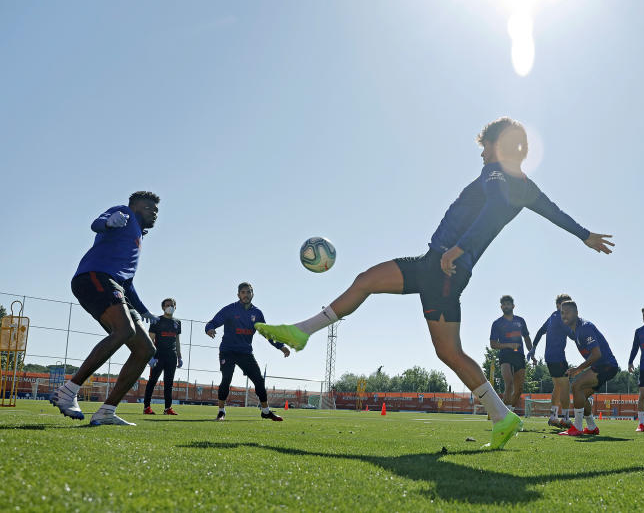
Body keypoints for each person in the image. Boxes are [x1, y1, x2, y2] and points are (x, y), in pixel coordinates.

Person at [256, 118, 613, 449]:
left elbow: (491, 213)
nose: (482, 153)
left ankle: (302, 332)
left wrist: (460, 247)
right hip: (440, 265)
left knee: (376, 290)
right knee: (444, 348)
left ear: (499, 144)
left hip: (444, 267)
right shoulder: (524, 185)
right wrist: (583, 235)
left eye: (485, 146)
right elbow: (552, 210)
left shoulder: (495, 174)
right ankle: (503, 417)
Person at [51, 191, 160, 426]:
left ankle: (107, 411)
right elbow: (97, 223)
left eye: (157, 210)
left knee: (145, 349)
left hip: (114, 285)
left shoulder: (138, 236)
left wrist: (145, 311)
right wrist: (109, 223)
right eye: (150, 208)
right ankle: (69, 390)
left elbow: (127, 284)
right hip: (94, 277)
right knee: (124, 330)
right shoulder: (124, 213)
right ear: (137, 206)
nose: (155, 213)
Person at [205, 282, 290, 421]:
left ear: (252, 294)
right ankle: (221, 411)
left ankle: (265, 411)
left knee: (259, 380)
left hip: (245, 352)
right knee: (226, 379)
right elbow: (213, 322)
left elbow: (267, 333)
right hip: (228, 351)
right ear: (238, 295)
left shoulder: (257, 313)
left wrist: (280, 346)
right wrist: (209, 329)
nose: (246, 295)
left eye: (248, 292)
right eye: (243, 292)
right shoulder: (230, 309)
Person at [556, 301, 620, 436]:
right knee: (582, 396)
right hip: (602, 366)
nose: (564, 315)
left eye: (567, 312)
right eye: (562, 312)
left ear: (576, 313)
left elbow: (597, 354)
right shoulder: (575, 330)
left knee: (576, 386)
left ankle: (577, 428)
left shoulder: (585, 327)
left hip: (606, 365)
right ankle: (592, 427)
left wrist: (578, 369)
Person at [529, 293, 576, 428]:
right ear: (558, 306)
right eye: (564, 304)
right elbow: (572, 335)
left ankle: (553, 417)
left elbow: (540, 331)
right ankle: (566, 419)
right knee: (565, 386)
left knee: (558, 386)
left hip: (550, 357)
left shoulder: (552, 316)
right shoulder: (559, 317)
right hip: (557, 357)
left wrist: (533, 348)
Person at [489, 295, 532, 412]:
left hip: (519, 355)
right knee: (509, 383)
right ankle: (503, 415)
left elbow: (527, 338)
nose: (506, 306)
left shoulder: (520, 320)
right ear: (501, 307)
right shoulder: (497, 323)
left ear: (513, 306)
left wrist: (531, 352)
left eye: (508, 304)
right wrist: (508, 345)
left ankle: (509, 412)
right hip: (505, 355)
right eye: (504, 304)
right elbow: (493, 344)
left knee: (519, 389)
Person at [143, 297, 182, 415]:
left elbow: (177, 341)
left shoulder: (177, 322)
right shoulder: (157, 321)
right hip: (158, 356)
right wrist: (150, 356)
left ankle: (168, 408)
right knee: (152, 381)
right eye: (167, 305)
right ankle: (146, 408)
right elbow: (150, 340)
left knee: (169, 383)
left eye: (172, 305)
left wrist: (179, 357)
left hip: (172, 356)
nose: (170, 307)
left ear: (175, 307)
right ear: (163, 307)